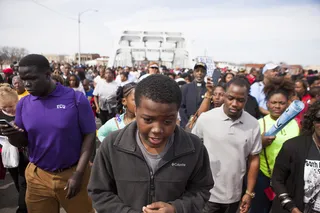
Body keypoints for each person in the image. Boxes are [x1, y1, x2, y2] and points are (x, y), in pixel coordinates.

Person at [88, 74, 214, 213]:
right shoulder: (112, 146)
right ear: (136, 111)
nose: (157, 130)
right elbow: (99, 192)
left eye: (167, 122)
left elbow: (201, 190)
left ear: (176, 115)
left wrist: (176, 208)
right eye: (148, 120)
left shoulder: (193, 148)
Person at [0, 54, 96, 213]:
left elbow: (90, 135)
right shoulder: (24, 103)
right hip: (37, 176)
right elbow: (23, 142)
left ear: (47, 74)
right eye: (23, 79)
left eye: (32, 78)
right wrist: (12, 134)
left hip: (72, 173)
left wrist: (79, 173)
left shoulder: (75, 98)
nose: (27, 84)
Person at [192, 77, 262, 213]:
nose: (234, 104)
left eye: (240, 100)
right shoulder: (206, 119)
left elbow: (254, 159)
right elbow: (193, 151)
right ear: (224, 95)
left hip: (234, 197)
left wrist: (249, 193)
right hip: (206, 196)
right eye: (230, 98)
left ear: (246, 99)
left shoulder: (253, 124)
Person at [250, 79, 299, 213]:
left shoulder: (294, 124)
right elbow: (247, 151)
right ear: (267, 104)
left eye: (281, 103)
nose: (277, 106)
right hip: (263, 177)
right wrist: (260, 142)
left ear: (288, 104)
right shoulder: (258, 124)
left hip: (287, 179)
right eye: (274, 102)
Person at [271, 101, 320, 213]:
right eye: (319, 119)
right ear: (312, 121)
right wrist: (291, 207)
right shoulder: (292, 146)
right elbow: (277, 180)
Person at [0, 86, 29, 213]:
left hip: (24, 152)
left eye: (12, 105)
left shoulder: (24, 111)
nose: (9, 109)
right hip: (7, 153)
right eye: (5, 107)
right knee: (16, 180)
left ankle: (23, 207)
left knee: (23, 181)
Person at [179, 62, 207, 128]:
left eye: (202, 71)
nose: (199, 73)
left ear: (205, 73)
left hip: (203, 125)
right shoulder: (185, 87)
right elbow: (181, 107)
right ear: (194, 73)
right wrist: (187, 122)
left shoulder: (208, 89)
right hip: (187, 124)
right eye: (197, 71)